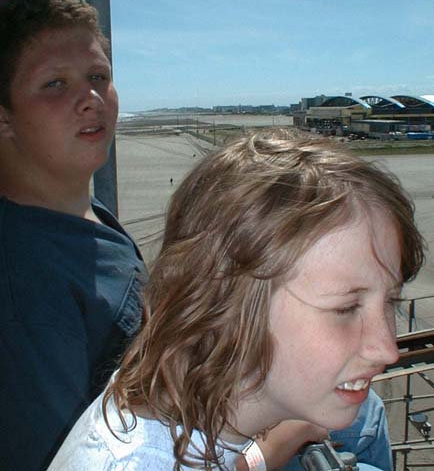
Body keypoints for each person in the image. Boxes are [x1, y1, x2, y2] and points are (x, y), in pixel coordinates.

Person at [48, 130, 424, 470]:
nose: (387, 350)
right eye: (345, 308)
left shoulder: (159, 399)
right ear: (222, 303)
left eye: (389, 302)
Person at [0, 0, 147, 471]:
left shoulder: (81, 209)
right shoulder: (25, 289)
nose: (91, 99)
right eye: (55, 84)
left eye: (98, 76)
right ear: (4, 119)